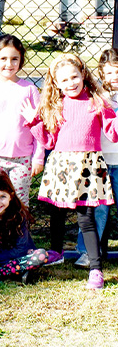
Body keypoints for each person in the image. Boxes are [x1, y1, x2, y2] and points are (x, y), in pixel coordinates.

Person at [21, 53, 118, 290]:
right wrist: (34, 123)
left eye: (74, 77)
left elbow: (113, 133)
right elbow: (49, 141)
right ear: (56, 83)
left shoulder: (97, 102)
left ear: (83, 74)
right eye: (64, 80)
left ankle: (95, 269)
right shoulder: (56, 105)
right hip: (62, 165)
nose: (71, 83)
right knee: (57, 212)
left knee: (86, 219)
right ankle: (56, 253)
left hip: (86, 167)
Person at [0, 34, 44, 207]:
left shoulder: (29, 89)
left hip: (23, 159)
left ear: (20, 61)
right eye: (3, 58)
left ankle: (19, 234)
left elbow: (40, 126)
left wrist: (38, 158)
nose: (9, 64)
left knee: (19, 203)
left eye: (14, 59)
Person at [75, 48, 118, 267]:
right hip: (99, 160)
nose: (115, 77)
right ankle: (87, 252)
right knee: (97, 209)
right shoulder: (97, 95)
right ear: (102, 74)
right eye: (110, 73)